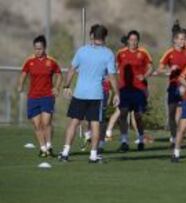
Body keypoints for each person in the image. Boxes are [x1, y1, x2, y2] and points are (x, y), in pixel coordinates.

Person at [59, 24, 119, 163]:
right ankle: (93, 155)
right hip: (96, 95)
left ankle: (65, 152)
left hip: (80, 93)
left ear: (92, 35)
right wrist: (117, 93)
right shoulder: (108, 53)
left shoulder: (82, 50)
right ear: (104, 37)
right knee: (95, 124)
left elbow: (71, 69)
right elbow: (112, 75)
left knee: (73, 123)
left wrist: (66, 86)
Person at [17, 35, 63, 157]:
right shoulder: (29, 61)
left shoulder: (51, 61)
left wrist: (56, 88)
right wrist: (20, 85)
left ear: (44, 48)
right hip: (33, 97)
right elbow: (23, 74)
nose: (38, 51)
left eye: (40, 49)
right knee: (37, 124)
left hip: (47, 96)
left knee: (46, 122)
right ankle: (43, 149)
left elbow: (59, 74)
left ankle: (49, 146)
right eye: (36, 48)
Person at [155, 22, 186, 148]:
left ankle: (178, 138)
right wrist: (169, 70)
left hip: (185, 87)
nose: (183, 41)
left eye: (184, 39)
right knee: (172, 114)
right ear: (175, 40)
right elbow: (159, 69)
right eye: (181, 39)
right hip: (173, 86)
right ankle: (174, 138)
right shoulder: (169, 53)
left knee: (184, 113)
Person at [116, 30, 153, 152]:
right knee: (123, 113)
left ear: (138, 41)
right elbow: (114, 67)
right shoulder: (120, 53)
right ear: (127, 40)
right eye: (131, 40)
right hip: (124, 89)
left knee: (138, 116)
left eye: (135, 40)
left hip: (138, 89)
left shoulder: (143, 53)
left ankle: (141, 140)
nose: (133, 42)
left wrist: (145, 76)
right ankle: (124, 141)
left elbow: (151, 67)